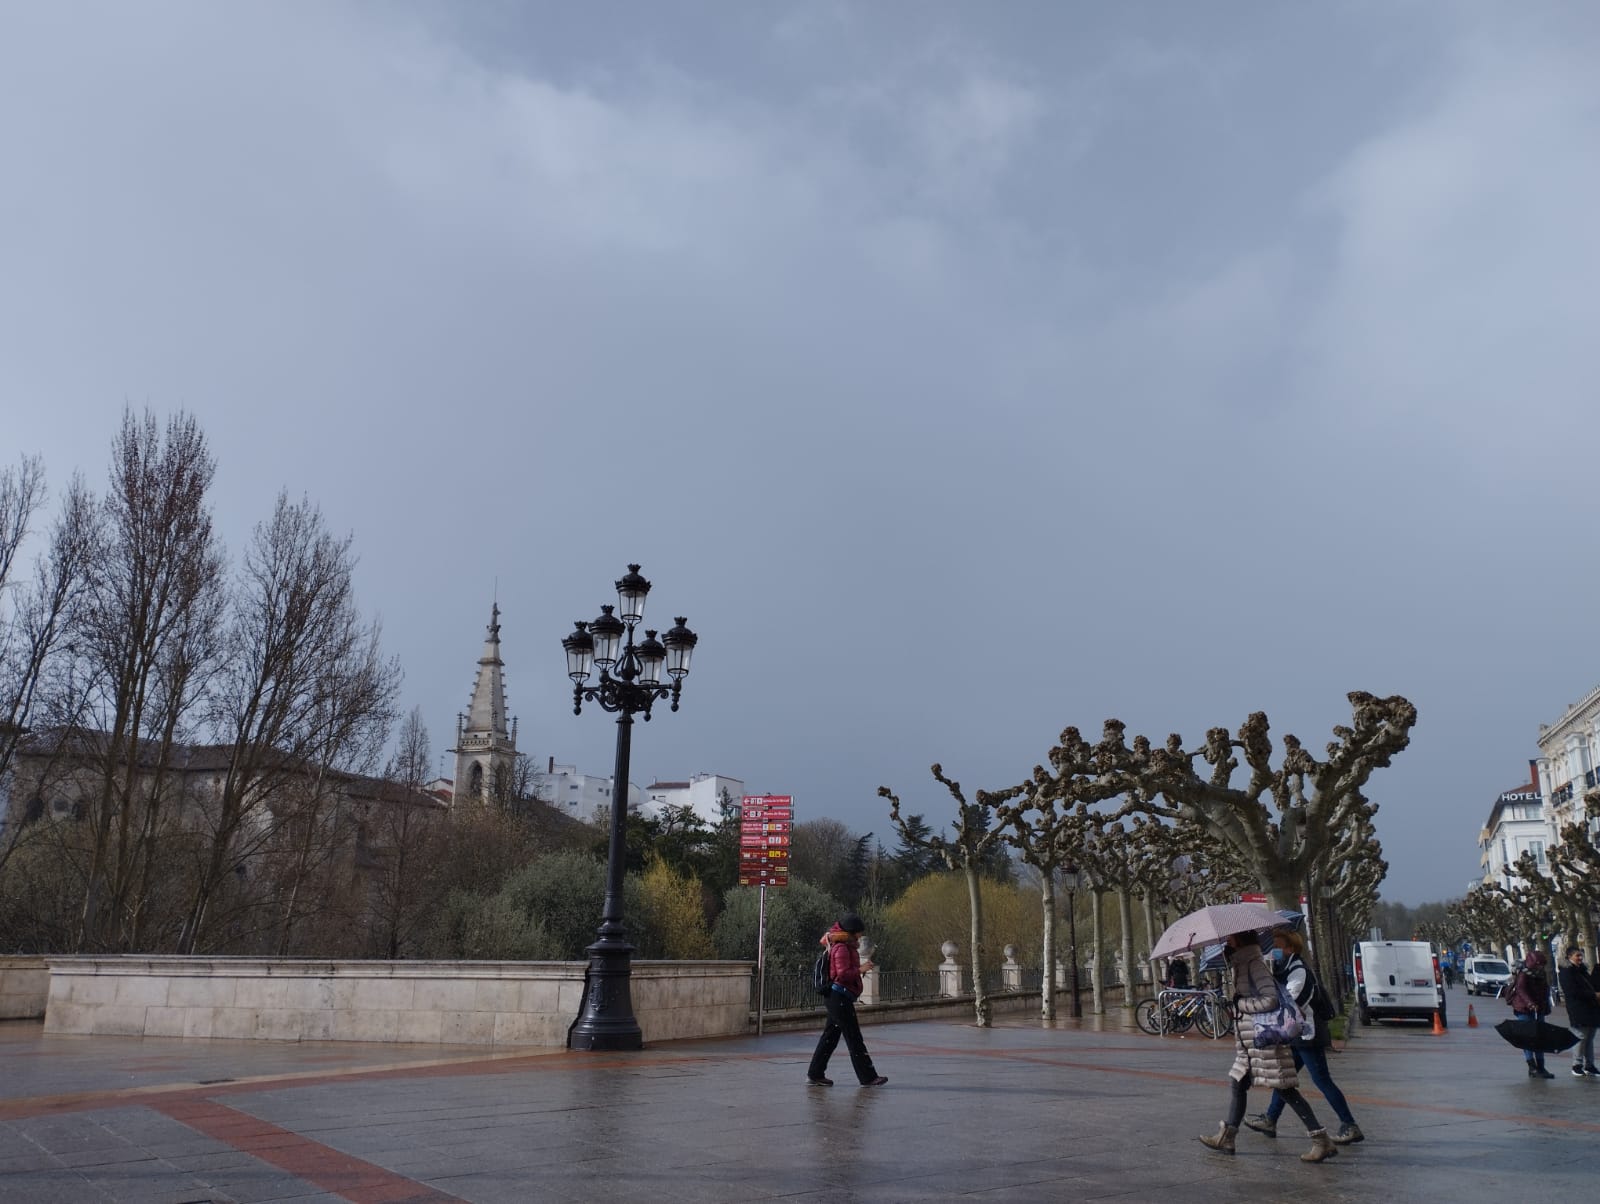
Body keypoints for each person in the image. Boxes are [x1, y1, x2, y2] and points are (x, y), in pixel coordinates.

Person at [1198, 930, 1337, 1162]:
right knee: (1238, 1082)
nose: (1227, 942)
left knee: (1285, 1089)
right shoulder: (1241, 965)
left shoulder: (1254, 964)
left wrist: (1241, 1003)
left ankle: (1321, 1139)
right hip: (1250, 1042)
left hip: (1263, 1039)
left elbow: (1269, 999)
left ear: (1241, 940)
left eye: (1230, 938)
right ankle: (1227, 1136)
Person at [1243, 928, 1363, 1145]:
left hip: (1307, 1034)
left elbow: (1289, 1001)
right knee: (1284, 1079)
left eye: (1278, 947)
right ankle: (1270, 1118)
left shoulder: (1299, 971)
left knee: (1321, 1080)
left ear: (1290, 948)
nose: (1274, 952)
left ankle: (1350, 1124)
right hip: (1295, 1035)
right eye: (1273, 948)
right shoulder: (1282, 968)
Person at [807, 912, 888, 1088]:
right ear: (852, 932)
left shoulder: (843, 946)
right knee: (854, 1038)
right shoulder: (842, 948)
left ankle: (815, 1074)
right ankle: (868, 1077)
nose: (860, 935)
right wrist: (861, 969)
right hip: (839, 997)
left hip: (838, 997)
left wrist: (859, 970)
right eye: (859, 932)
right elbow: (842, 974)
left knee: (830, 1037)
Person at [1506, 949, 1555, 1078]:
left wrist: (1545, 1005)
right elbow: (1521, 990)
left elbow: (1545, 989)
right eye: (1538, 964)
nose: (1540, 967)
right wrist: (1530, 1003)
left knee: (1539, 1037)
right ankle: (1532, 1067)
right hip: (1523, 1008)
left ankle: (1541, 1067)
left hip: (1538, 1007)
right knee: (1528, 1037)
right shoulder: (1523, 974)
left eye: (1541, 964)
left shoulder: (1541, 973)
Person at [1557, 946, 1599, 1077]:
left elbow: (1592, 984)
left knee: (1590, 1037)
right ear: (1569, 957)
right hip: (1577, 1008)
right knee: (1580, 1037)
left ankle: (1590, 1065)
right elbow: (1572, 992)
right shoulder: (1566, 972)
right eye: (1577, 956)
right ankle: (1577, 1064)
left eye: (1581, 955)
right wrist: (1594, 995)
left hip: (1591, 1007)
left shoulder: (1582, 970)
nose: (1580, 958)